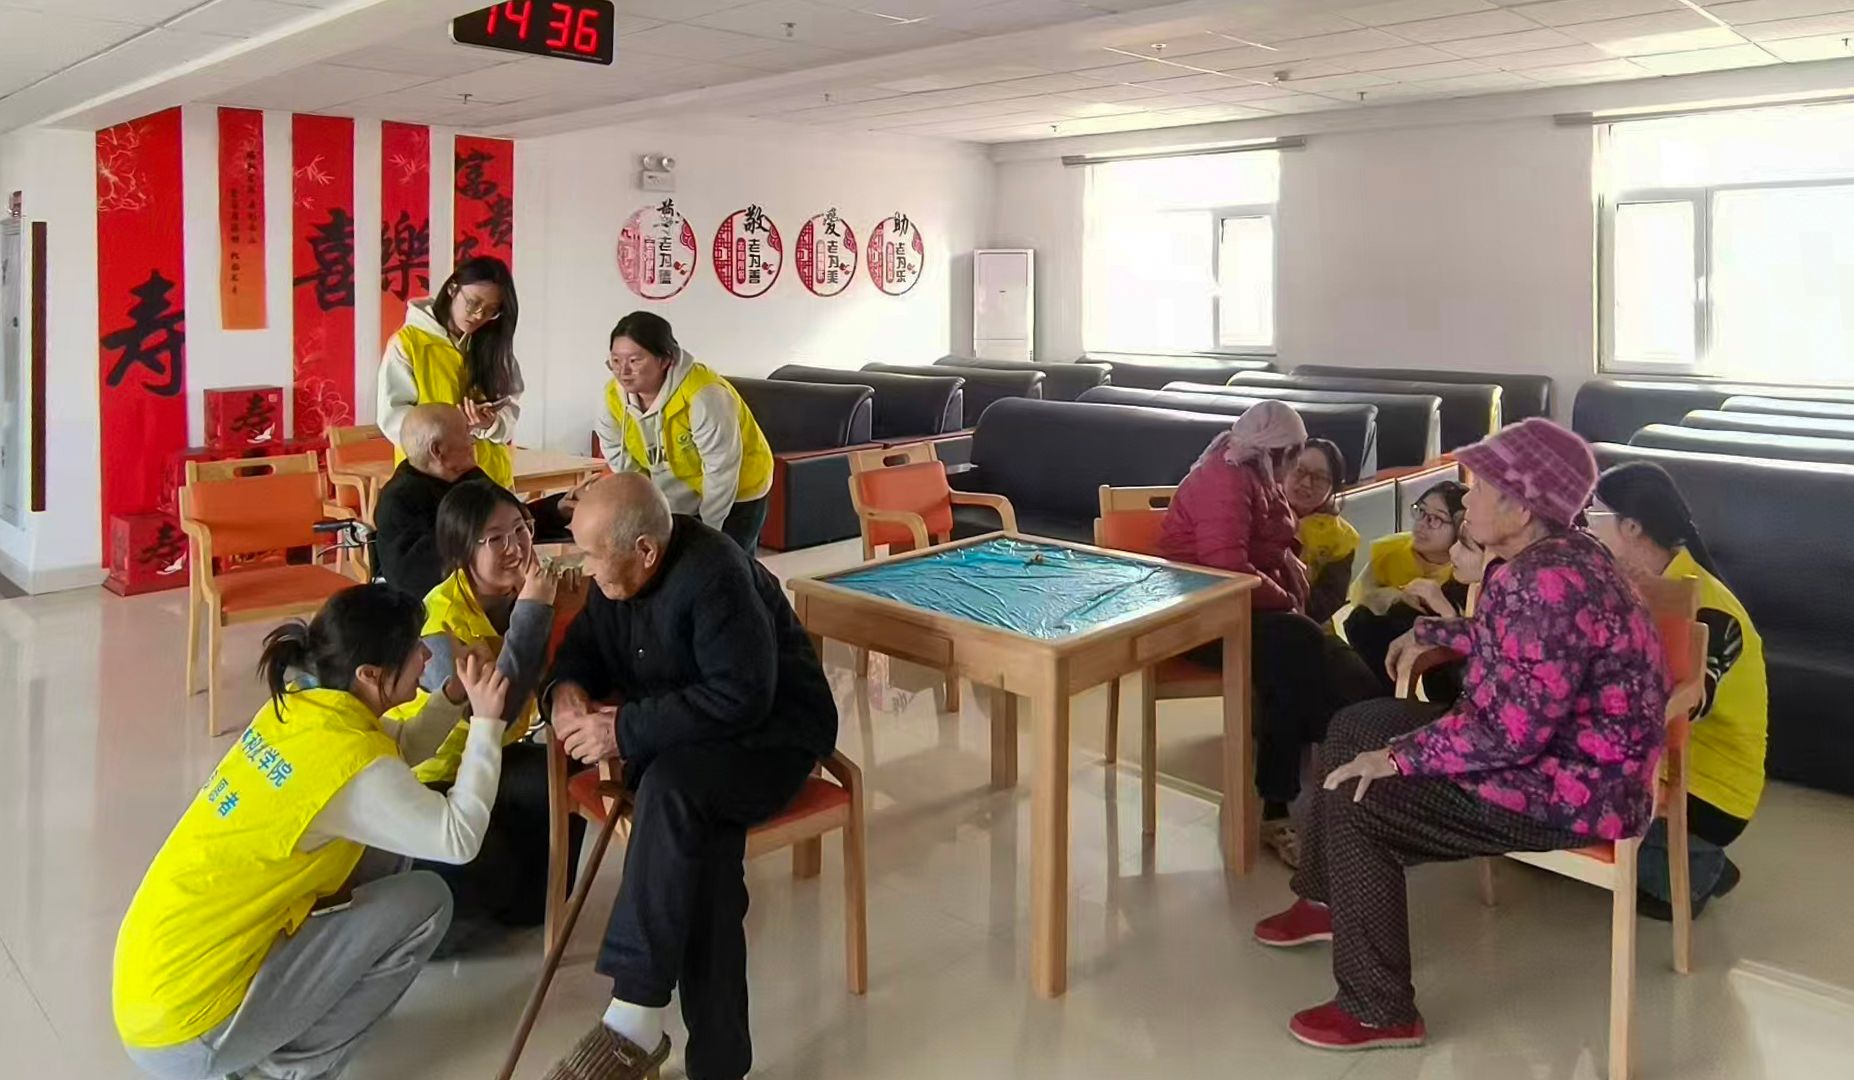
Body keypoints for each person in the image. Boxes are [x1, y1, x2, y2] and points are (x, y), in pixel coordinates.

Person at [1253, 418, 1667, 1052]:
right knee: (1355, 726)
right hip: (1545, 755)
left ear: (1521, 508)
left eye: (1481, 487)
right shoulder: (1548, 557)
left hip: (1574, 789)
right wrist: (1435, 631)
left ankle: (1380, 1009)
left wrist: (1397, 759)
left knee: (1362, 797)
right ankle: (1327, 899)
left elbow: (1510, 736)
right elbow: (1522, 646)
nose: (1466, 498)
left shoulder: (1547, 581)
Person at [114, 585, 512, 1080]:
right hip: (190, 1028)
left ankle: (287, 1021)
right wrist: (487, 724)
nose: (427, 656)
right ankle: (291, 1068)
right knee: (428, 899)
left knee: (386, 853)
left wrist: (453, 697)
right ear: (370, 674)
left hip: (152, 986)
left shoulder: (303, 708)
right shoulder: (350, 767)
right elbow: (458, 839)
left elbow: (399, 750)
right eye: (414, 648)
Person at [542, 474, 837, 1080]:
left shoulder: (714, 576)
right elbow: (585, 649)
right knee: (702, 857)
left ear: (645, 551)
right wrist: (566, 690)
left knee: (673, 791)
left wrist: (623, 731)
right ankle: (716, 1062)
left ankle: (634, 1013)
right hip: (689, 740)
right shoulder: (617, 574)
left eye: (592, 556)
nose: (584, 569)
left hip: (771, 737)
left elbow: (743, 696)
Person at [387, 479, 577, 948]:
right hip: (437, 778)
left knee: (561, 774)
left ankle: (532, 903)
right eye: (495, 539)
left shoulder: (524, 590)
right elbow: (495, 711)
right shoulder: (438, 623)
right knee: (486, 870)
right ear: (460, 552)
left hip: (494, 757)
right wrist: (534, 611)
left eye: (521, 529)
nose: (515, 547)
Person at [1158, 401, 1351, 861]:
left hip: (1234, 609)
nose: (1295, 466)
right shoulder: (1224, 479)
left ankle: (1285, 802)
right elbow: (1228, 568)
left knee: (1293, 663)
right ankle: (1345, 747)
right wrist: (1287, 601)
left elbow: (1269, 546)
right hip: (1194, 617)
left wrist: (1288, 575)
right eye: (1294, 454)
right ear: (1274, 449)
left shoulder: (1255, 473)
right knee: (1303, 643)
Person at [1590, 461, 1766, 921]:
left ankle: (1700, 867)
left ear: (1631, 527)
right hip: (1657, 761)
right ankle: (1682, 858)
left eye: (1594, 514)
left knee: (1563, 814)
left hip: (1710, 787)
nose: (1586, 527)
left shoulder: (1710, 608)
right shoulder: (1636, 585)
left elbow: (1692, 701)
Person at [598, 311, 774, 552]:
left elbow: (721, 470)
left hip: (736, 490)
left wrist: (709, 533)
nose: (623, 371)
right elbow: (618, 456)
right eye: (615, 361)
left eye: (635, 361)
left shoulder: (703, 395)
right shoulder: (612, 397)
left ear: (665, 359)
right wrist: (644, 504)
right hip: (678, 489)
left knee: (727, 560)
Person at [374, 404, 579, 599]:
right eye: (465, 432)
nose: (473, 441)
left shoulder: (469, 476)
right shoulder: (399, 500)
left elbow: (510, 523)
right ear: (437, 450)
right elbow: (410, 576)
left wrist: (558, 509)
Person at [379, 256, 523, 488]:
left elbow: (510, 410)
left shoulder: (494, 348)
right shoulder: (408, 344)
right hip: (432, 479)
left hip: (490, 478)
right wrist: (448, 430)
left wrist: (490, 424)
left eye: (491, 310)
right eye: (473, 303)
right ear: (452, 289)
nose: (479, 315)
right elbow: (393, 419)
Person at [1341, 480, 1471, 690]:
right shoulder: (1391, 552)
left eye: (1436, 519)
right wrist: (1395, 596)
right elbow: (1362, 595)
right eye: (1420, 511)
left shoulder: (1468, 567)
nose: (1422, 524)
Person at [1285, 438, 1360, 626]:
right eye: (1299, 471)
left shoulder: (1341, 538)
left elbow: (1330, 600)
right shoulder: (1260, 515)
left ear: (1333, 487)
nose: (1306, 483)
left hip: (1307, 625)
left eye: (1319, 478)